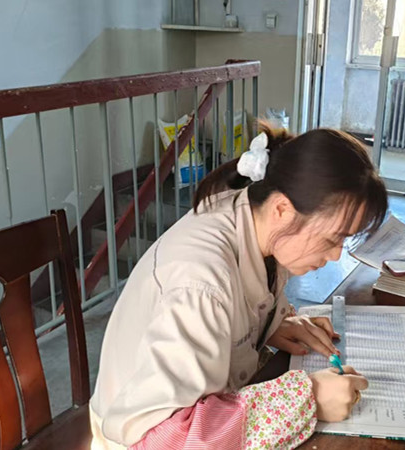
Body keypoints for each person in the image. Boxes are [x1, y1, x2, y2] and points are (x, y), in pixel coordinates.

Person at [89, 124, 388, 449]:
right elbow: (165, 439)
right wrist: (309, 399)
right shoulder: (200, 285)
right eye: (332, 239)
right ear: (282, 209)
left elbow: (235, 299)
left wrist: (270, 323)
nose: (335, 255)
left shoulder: (257, 219)